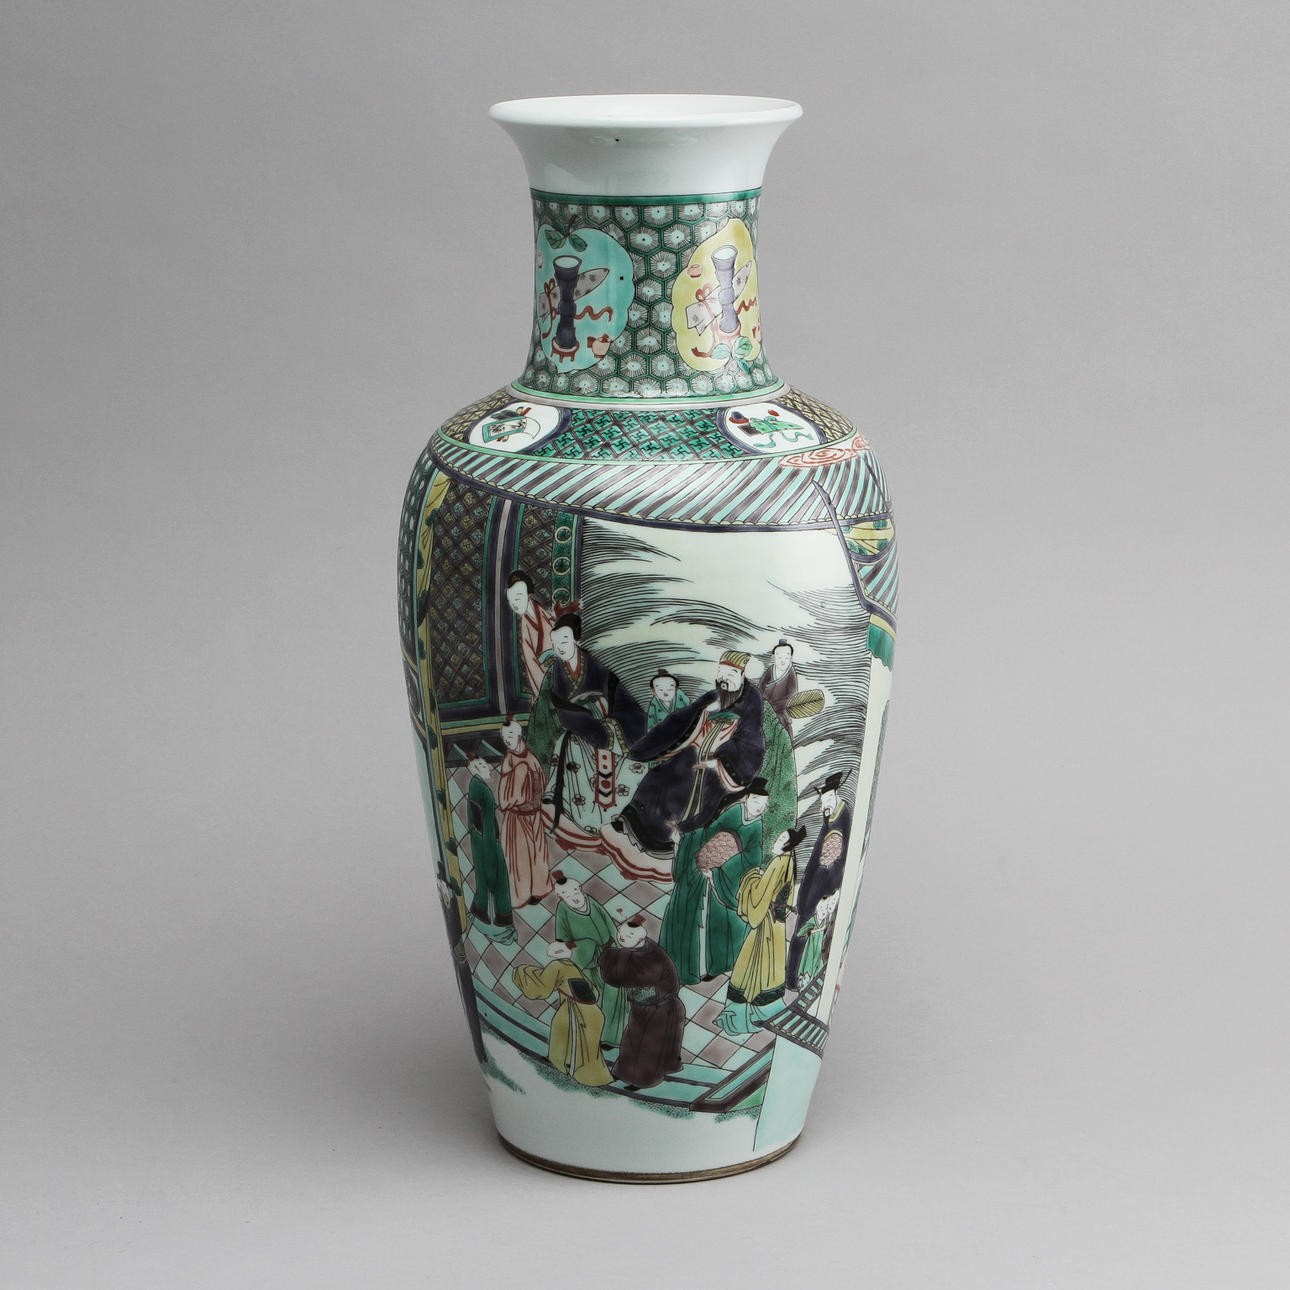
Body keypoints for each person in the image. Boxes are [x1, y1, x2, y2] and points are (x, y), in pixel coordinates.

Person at [613, 651, 766, 858]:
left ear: (741, 675)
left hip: (718, 766)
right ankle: (631, 823)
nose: (724, 678)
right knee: (660, 775)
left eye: (730, 673)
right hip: (691, 751)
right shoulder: (714, 697)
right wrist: (703, 713)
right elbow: (683, 718)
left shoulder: (751, 704)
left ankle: (667, 839)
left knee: (686, 786)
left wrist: (718, 762)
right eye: (721, 672)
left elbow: (751, 744)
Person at [527, 608, 647, 839]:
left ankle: (621, 816)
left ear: (576, 639)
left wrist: (603, 720)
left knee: (628, 760)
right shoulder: (555, 672)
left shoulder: (595, 665)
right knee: (567, 746)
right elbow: (549, 709)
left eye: (564, 640)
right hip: (574, 728)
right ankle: (580, 815)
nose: (560, 647)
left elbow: (617, 696)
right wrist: (579, 718)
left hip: (606, 725)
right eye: (555, 643)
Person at [658, 778, 769, 985]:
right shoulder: (734, 811)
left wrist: (720, 872)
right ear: (746, 798)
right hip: (705, 868)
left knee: (722, 922)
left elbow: (753, 857)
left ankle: (716, 965)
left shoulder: (757, 825)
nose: (758, 807)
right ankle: (688, 966)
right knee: (690, 909)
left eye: (763, 805)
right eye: (755, 801)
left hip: (726, 880)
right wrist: (686, 840)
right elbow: (710, 830)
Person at [717, 825, 806, 1035]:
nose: (777, 841)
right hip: (776, 925)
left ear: (788, 845)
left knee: (753, 962)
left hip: (766, 922)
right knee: (769, 964)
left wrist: (750, 877)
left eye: (781, 839)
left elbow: (759, 895)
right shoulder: (789, 861)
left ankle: (746, 1011)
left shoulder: (778, 863)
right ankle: (766, 1007)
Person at [598, 916, 685, 1091]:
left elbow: (618, 978)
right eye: (621, 934)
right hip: (642, 1005)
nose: (622, 939)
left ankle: (643, 1080)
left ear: (640, 939)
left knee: (648, 1046)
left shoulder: (653, 960)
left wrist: (606, 956)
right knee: (631, 1039)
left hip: (661, 1009)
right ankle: (623, 1072)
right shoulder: (635, 949)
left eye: (628, 936)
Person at [512, 941, 614, 1087]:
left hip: (580, 1012)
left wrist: (523, 973)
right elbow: (594, 993)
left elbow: (542, 988)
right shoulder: (572, 966)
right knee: (566, 1031)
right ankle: (562, 1063)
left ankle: (577, 1071)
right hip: (593, 1013)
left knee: (566, 1032)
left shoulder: (557, 965)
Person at [787, 771, 853, 988]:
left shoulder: (843, 818)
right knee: (804, 931)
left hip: (825, 887)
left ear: (836, 796)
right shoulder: (830, 819)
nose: (825, 804)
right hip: (816, 885)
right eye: (823, 800)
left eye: (828, 799)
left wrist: (831, 892)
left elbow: (839, 858)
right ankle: (794, 978)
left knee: (808, 932)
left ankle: (798, 977)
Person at [552, 871, 626, 1046]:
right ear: (561, 898)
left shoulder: (590, 902)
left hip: (609, 955)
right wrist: (576, 951)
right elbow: (562, 938)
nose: (574, 897)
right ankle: (595, 1035)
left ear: (581, 889)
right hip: (587, 961)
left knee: (615, 993)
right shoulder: (563, 910)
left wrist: (618, 947)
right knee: (594, 996)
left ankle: (612, 1037)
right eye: (567, 895)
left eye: (575, 891)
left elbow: (609, 924)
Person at [496, 716, 552, 906]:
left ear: (519, 735)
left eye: (510, 736)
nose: (508, 741)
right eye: (505, 738)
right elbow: (507, 794)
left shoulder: (530, 756)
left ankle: (539, 889)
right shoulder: (510, 760)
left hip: (534, 814)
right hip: (517, 817)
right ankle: (521, 894)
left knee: (537, 853)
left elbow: (541, 782)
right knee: (519, 856)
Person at [463, 746, 516, 943]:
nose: (484, 768)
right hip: (487, 840)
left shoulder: (475, 785)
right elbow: (485, 822)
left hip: (480, 838)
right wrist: (490, 849)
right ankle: (500, 918)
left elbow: (474, 820)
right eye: (478, 766)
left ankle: (482, 912)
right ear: (473, 770)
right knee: (496, 877)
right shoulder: (482, 789)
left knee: (484, 878)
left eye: (484, 764)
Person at [505, 569, 556, 702]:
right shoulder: (525, 624)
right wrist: (542, 689)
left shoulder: (541, 611)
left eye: (517, 598)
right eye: (511, 601)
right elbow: (530, 662)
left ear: (529, 595)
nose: (515, 605)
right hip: (544, 674)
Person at [758, 639, 799, 731]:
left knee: (781, 726)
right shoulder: (770, 670)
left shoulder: (791, 673)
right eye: (779, 658)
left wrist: (772, 707)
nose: (782, 661)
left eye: (786, 658)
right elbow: (760, 687)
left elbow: (792, 695)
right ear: (773, 658)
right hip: (764, 707)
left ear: (791, 658)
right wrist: (760, 702)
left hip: (782, 710)